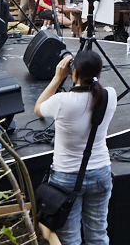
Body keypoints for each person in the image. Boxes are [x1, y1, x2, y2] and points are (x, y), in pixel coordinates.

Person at [34, 50, 117, 245]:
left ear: (74, 72)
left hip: (66, 177)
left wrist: (57, 77)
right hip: (101, 173)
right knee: (98, 235)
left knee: (70, 239)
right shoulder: (109, 95)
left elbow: (38, 108)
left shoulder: (62, 101)